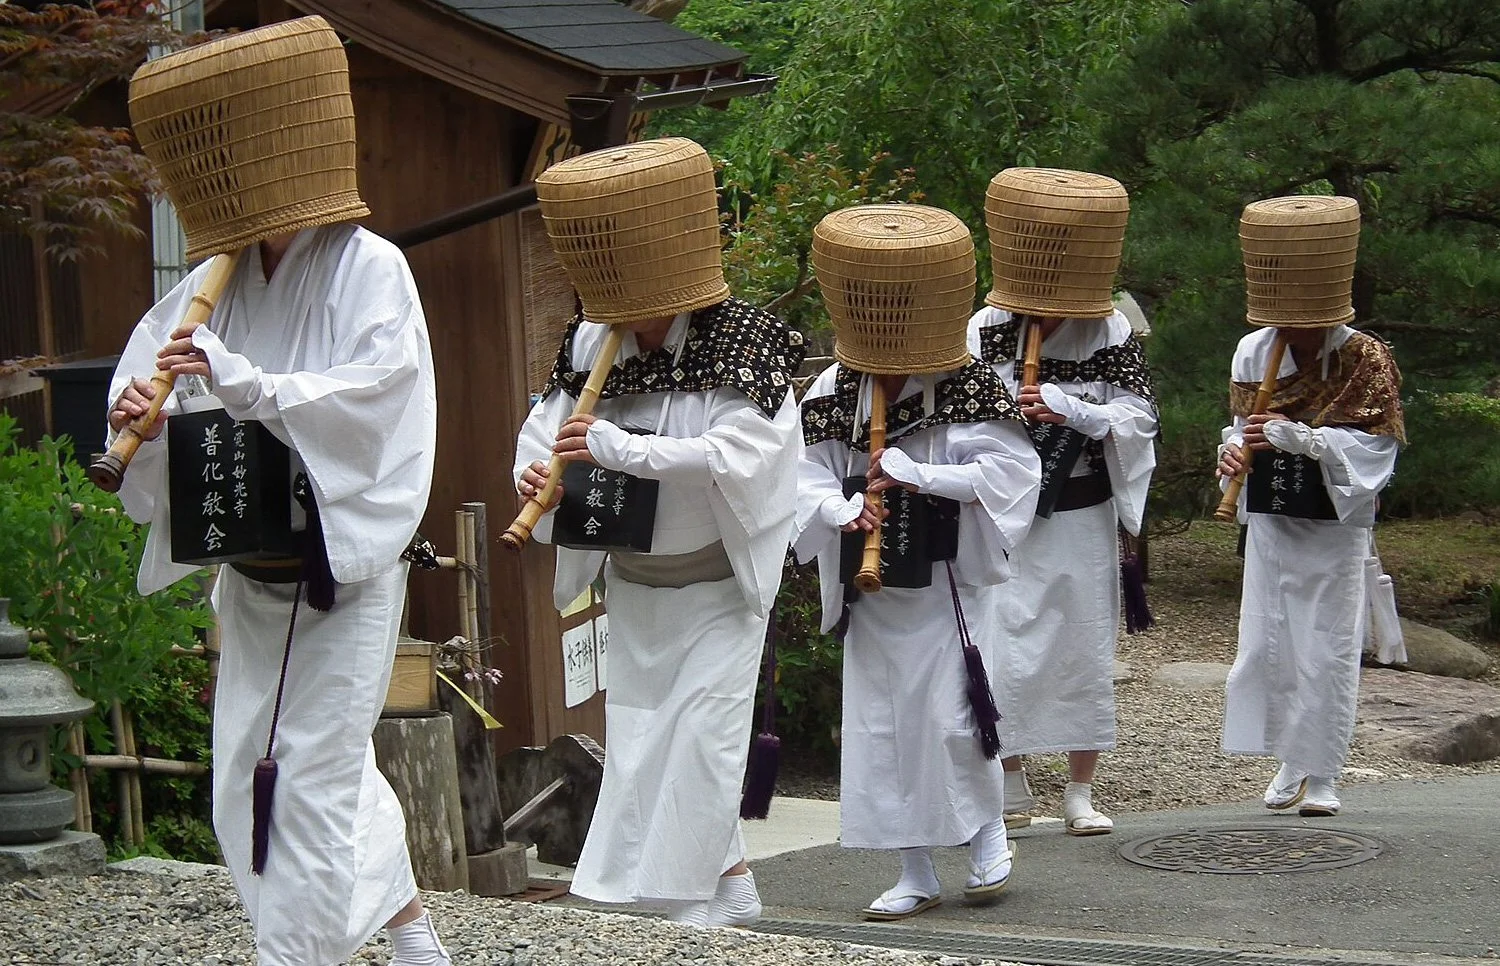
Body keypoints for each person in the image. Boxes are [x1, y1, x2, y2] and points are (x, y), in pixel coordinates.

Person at [105, 19, 447, 965]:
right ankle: (413, 931)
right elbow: (140, 410)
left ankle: (294, 956)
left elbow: (380, 402)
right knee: (240, 781)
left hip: (341, 572)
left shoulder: (369, 267)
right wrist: (137, 414)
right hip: (250, 578)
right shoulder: (203, 288)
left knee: (312, 777)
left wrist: (252, 385)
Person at [512, 137, 803, 928]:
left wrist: (624, 449)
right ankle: (731, 885)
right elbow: (544, 431)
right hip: (636, 583)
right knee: (646, 741)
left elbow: (742, 456)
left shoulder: (742, 337)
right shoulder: (589, 339)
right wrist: (539, 478)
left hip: (716, 585)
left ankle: (684, 912)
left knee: (702, 743)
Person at [794, 204, 1040, 921]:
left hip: (950, 585)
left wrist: (923, 475)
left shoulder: (969, 385)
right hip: (874, 593)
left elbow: (1012, 478)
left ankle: (988, 833)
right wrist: (845, 508)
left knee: (955, 717)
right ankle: (915, 866)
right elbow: (799, 479)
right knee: (884, 727)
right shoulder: (834, 390)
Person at [968, 168, 1157, 836]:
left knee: (1082, 642)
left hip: (1081, 508)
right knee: (1008, 637)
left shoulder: (1108, 329)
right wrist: (1007, 413)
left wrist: (1069, 408)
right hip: (1006, 511)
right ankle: (1011, 780)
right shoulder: (985, 326)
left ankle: (1080, 790)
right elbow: (958, 417)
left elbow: (1137, 420)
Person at [1215, 195, 1404, 817]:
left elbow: (1375, 453)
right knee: (1271, 639)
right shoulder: (1252, 348)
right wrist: (1234, 453)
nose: (1289, 335)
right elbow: (1240, 425)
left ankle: (1323, 769)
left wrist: (1310, 440)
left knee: (1325, 642)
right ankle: (1287, 757)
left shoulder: (1364, 355)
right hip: (1273, 512)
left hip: (1332, 522)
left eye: (1302, 324)